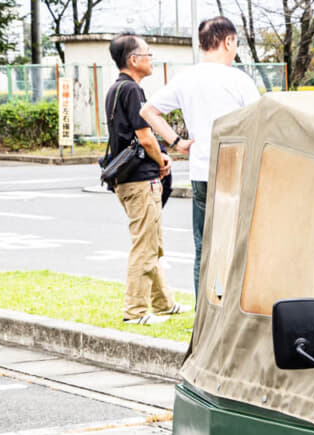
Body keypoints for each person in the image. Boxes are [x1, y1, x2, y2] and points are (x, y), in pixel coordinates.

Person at [140, 16, 259, 302]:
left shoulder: (186, 78)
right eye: (235, 43)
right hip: (236, 172)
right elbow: (260, 121)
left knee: (203, 249)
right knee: (238, 247)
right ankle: (231, 312)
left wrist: (177, 142)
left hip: (201, 172)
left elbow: (148, 111)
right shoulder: (239, 79)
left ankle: (203, 316)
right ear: (228, 41)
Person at [104, 34, 182, 326]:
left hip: (125, 178)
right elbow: (145, 136)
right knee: (145, 246)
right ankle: (135, 311)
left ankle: (163, 303)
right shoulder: (133, 91)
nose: (152, 58)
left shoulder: (115, 90)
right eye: (148, 53)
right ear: (134, 60)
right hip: (140, 179)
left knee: (153, 242)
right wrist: (163, 159)